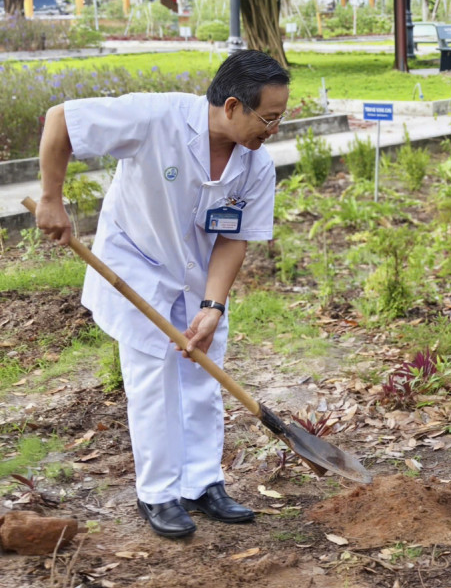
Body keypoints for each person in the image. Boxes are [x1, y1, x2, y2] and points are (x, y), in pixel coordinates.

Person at [35, 50, 290, 539]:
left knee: (202, 378)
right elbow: (62, 119)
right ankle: (158, 493)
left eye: (281, 118)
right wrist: (51, 198)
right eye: (269, 117)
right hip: (138, 268)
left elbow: (233, 238)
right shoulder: (156, 117)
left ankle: (202, 484)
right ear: (232, 106)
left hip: (199, 277)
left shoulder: (256, 164)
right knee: (153, 381)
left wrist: (213, 307)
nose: (274, 129)